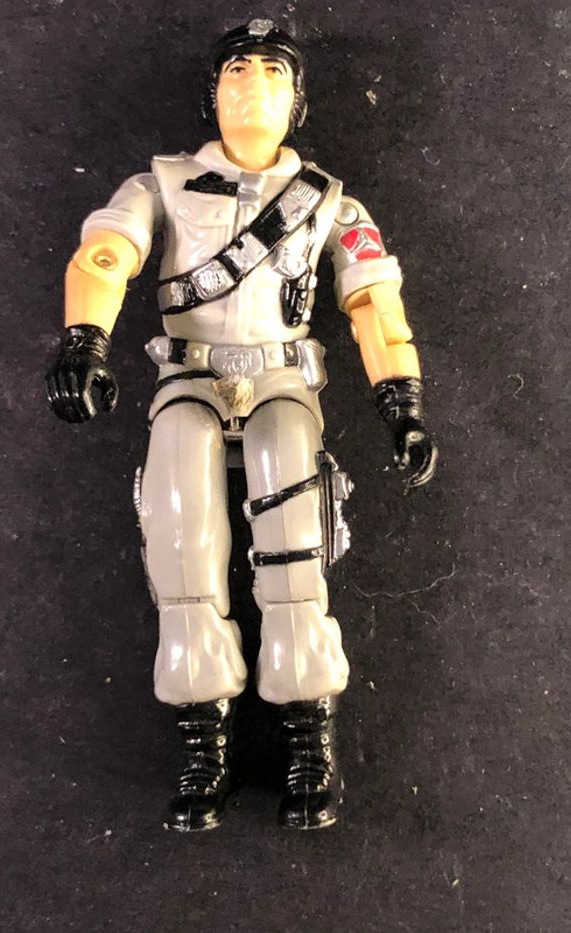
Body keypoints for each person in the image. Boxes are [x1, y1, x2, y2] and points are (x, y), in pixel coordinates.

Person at [46, 19, 437, 831]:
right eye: (238, 68)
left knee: (293, 525)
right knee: (179, 525)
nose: (254, 81)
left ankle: (308, 735)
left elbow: (374, 302)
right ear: (212, 92)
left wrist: (400, 403)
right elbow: (107, 253)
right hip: (188, 378)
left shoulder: (329, 202)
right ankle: (203, 740)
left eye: (273, 70)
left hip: (282, 380)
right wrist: (85, 340)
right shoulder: (161, 184)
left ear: (297, 100)